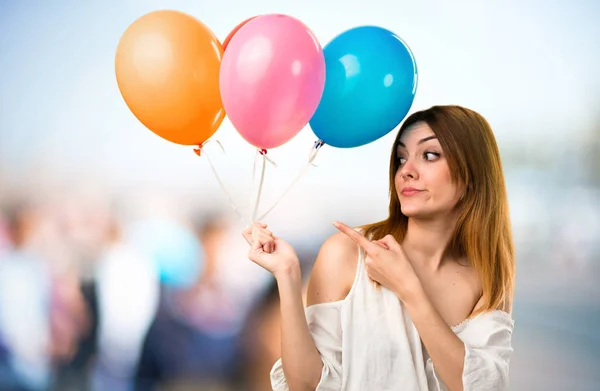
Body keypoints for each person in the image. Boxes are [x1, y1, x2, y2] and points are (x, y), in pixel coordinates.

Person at [242, 105, 516, 391]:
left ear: (472, 175)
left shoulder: (486, 278)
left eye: (430, 155)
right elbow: (306, 385)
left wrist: (409, 289)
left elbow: (483, 385)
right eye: (400, 158)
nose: (406, 171)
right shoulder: (347, 254)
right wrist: (287, 274)